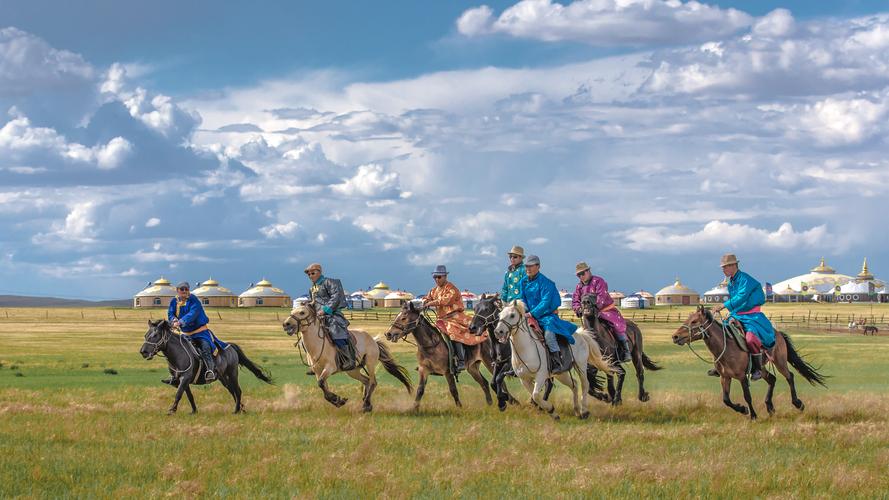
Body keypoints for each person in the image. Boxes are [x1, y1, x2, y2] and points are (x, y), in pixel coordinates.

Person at [712, 253, 776, 380]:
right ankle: (720, 365)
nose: (723, 269)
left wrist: (723, 306)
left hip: (752, 315)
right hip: (737, 314)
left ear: (733, 266)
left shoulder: (745, 279)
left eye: (725, 267)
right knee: (722, 334)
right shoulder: (731, 283)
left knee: (751, 338)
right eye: (722, 267)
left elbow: (741, 297)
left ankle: (757, 369)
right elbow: (736, 300)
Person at [423, 265, 487, 372]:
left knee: (453, 332)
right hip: (442, 319)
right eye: (435, 277)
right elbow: (427, 297)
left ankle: (461, 361)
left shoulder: (452, 289)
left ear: (445, 276)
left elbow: (445, 301)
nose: (436, 279)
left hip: (455, 317)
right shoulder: (433, 290)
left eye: (439, 277)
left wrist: (430, 303)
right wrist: (425, 301)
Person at [520, 255, 578, 372]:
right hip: (529, 315)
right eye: (526, 266)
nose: (528, 269)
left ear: (538, 266)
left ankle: (557, 361)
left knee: (548, 336)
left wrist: (532, 313)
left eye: (531, 266)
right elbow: (522, 299)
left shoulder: (547, 283)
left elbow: (545, 302)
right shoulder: (523, 281)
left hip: (547, 316)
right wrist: (523, 310)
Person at [167, 282, 227, 383]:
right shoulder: (174, 301)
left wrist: (180, 322)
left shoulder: (194, 300)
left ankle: (210, 370)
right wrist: (173, 320)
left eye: (186, 289)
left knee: (205, 347)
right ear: (177, 290)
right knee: (178, 350)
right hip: (186, 334)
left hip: (200, 332)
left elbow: (192, 314)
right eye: (182, 289)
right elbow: (170, 313)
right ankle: (176, 374)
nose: (185, 291)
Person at [572, 261, 631, 362]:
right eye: (578, 275)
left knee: (616, 325)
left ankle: (625, 350)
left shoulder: (599, 281)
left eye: (582, 273)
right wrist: (578, 309)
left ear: (588, 271)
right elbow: (575, 300)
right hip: (589, 314)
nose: (581, 276)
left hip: (605, 310)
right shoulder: (579, 287)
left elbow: (601, 297)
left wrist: (596, 307)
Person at [305, 263, 355, 371]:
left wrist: (325, 310)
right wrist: (307, 306)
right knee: (307, 335)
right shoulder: (312, 288)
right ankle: (314, 364)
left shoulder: (330, 282)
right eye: (308, 274)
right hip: (318, 317)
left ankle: (348, 359)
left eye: (312, 273)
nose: (310, 276)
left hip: (332, 314)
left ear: (319, 272)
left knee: (335, 331)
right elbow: (314, 302)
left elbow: (336, 297)